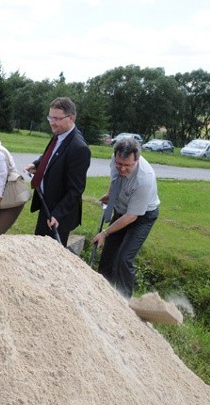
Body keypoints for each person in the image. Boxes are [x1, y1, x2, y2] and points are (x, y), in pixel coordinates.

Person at [92, 138, 160, 298]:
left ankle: (124, 302)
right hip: (122, 209)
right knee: (108, 254)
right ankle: (102, 295)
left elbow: (131, 217)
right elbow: (115, 178)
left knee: (124, 258)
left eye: (127, 166)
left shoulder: (144, 179)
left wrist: (105, 233)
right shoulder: (116, 159)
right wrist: (111, 195)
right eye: (119, 164)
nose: (122, 168)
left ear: (136, 160)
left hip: (142, 216)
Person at [24, 97, 91, 246]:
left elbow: (76, 189)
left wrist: (58, 214)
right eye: (50, 117)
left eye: (56, 118)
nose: (52, 122)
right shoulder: (59, 134)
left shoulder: (79, 148)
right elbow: (51, 156)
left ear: (71, 118)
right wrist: (37, 165)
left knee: (49, 257)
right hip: (46, 204)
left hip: (57, 215)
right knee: (38, 248)